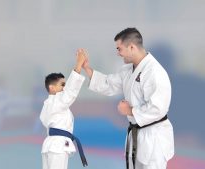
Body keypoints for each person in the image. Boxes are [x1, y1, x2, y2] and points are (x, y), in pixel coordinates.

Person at [79, 27, 174, 169]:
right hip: (137, 135)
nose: (118, 53)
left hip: (154, 138)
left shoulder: (154, 72)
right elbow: (109, 84)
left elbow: (158, 108)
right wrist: (87, 68)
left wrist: (130, 110)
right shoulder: (129, 69)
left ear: (131, 47)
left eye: (119, 49)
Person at [40, 53, 88, 169]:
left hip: (51, 145)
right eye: (62, 84)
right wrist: (79, 64)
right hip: (57, 146)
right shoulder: (56, 102)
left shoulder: (48, 105)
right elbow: (70, 92)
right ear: (52, 88)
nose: (65, 87)